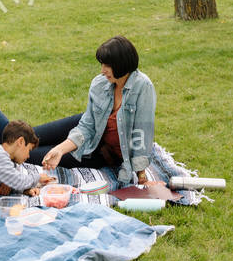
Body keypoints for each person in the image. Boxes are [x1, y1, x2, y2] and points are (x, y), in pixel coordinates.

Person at [30, 36, 156, 186]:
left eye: (107, 66)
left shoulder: (143, 87)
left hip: (101, 152)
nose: (102, 71)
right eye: (102, 65)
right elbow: (87, 126)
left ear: (121, 64)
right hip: (90, 128)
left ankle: (1, 156)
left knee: (29, 154)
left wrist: (141, 176)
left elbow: (141, 133)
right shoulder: (99, 83)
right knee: (27, 136)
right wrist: (60, 149)